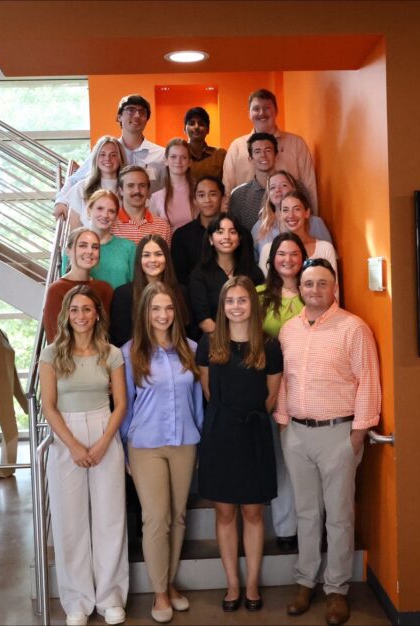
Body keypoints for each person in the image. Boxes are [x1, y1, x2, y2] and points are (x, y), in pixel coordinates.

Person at [275, 258, 382, 626]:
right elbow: (284, 382)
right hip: (298, 433)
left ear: (333, 288)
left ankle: (336, 589)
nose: (315, 290)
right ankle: (306, 580)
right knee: (306, 512)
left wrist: (357, 435)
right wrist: (284, 424)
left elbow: (368, 381)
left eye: (323, 283)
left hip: (339, 432)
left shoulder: (353, 328)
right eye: (308, 284)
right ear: (299, 288)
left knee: (338, 516)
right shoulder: (288, 330)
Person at [39, 285, 128, 626]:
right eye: (74, 310)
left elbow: (120, 403)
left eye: (87, 310)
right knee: (70, 522)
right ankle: (77, 600)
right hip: (67, 434)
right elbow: (48, 406)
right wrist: (74, 446)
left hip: (104, 428)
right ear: (66, 315)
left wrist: (105, 440)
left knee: (109, 519)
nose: (81, 316)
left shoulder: (111, 353)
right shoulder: (51, 355)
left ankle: (111, 598)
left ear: (96, 314)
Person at [197, 276, 282, 613]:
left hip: (254, 432)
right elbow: (207, 390)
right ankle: (232, 584)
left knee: (253, 511)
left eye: (242, 300)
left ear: (252, 304)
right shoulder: (208, 343)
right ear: (223, 306)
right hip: (219, 432)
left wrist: (247, 415)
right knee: (225, 512)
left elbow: (272, 397)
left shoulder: (270, 345)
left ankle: (252, 585)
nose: (236, 306)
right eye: (230, 301)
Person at [121, 281, 204, 624]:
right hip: (146, 445)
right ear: (145, 313)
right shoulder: (129, 353)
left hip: (185, 441)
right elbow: (124, 405)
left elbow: (198, 400)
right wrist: (126, 450)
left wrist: (198, 439)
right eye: (155, 308)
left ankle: (169, 584)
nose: (163, 314)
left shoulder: (191, 349)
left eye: (168, 308)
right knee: (156, 518)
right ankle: (158, 593)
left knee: (178, 515)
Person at [256, 232, 309, 549]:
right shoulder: (259, 295)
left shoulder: (314, 291)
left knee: (306, 461)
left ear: (303, 258)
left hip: (311, 387)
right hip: (274, 387)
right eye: (281, 254)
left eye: (294, 254)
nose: (287, 260)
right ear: (271, 260)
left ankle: (311, 526)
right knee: (282, 462)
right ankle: (286, 527)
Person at [56, 94, 165, 222]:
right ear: (119, 117)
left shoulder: (161, 155)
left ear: (147, 119)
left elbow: (168, 190)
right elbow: (75, 179)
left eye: (142, 112)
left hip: (147, 222)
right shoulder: (106, 151)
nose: (136, 116)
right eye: (130, 110)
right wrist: (61, 201)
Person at [222, 89, 319, 213]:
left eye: (267, 108)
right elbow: (227, 190)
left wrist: (312, 220)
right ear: (249, 113)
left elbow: (309, 187)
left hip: (291, 220)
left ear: (276, 111)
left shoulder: (296, 144)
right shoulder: (237, 147)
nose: (261, 113)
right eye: (256, 109)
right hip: (247, 222)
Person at [188, 212, 264, 335]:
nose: (226, 237)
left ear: (239, 239)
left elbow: (261, 311)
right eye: (220, 232)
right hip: (215, 342)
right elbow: (204, 321)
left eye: (232, 232)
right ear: (211, 239)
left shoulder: (253, 272)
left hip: (251, 338)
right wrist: (230, 341)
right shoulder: (199, 275)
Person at [110, 234, 190, 347]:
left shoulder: (181, 292)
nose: (153, 260)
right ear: (139, 260)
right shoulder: (123, 294)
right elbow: (119, 339)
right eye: (146, 255)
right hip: (136, 357)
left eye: (158, 254)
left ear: (167, 258)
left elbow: (188, 332)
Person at [43, 227, 114, 343]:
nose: (90, 251)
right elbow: (54, 338)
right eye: (83, 245)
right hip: (65, 358)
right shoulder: (57, 289)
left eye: (95, 247)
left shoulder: (105, 289)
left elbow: (108, 334)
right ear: (69, 251)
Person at [251, 170, 333, 257]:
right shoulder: (259, 227)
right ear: (268, 195)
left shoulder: (315, 223)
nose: (277, 190)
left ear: (294, 190)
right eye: (272, 187)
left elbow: (328, 255)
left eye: (284, 185)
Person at [259, 191, 338, 282]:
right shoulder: (268, 250)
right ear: (280, 215)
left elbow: (333, 292)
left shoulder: (325, 248)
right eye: (285, 210)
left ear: (307, 213)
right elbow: (265, 291)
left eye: (297, 209)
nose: (291, 215)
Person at [55, 135, 126, 230]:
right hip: (90, 243)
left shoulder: (128, 189)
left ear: (120, 159)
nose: (107, 159)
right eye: (102, 154)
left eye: (113, 155)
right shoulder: (81, 188)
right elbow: (74, 231)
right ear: (95, 158)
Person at [171, 176, 224, 286]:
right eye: (201, 195)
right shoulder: (181, 236)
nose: (207, 200)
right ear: (194, 200)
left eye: (213, 194)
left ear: (222, 197)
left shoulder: (237, 232)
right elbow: (180, 280)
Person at [86, 189, 136, 290]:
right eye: (100, 208)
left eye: (111, 211)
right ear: (89, 211)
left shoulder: (129, 248)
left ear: (116, 217)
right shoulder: (74, 247)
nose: (105, 215)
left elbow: (134, 288)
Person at [111, 165, 172, 247]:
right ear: (121, 190)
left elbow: (166, 259)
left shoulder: (163, 227)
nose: (137, 191)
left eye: (142, 185)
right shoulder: (110, 224)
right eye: (130, 186)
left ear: (148, 189)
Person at [227, 132, 277, 232]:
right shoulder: (238, 195)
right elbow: (234, 232)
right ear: (250, 159)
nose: (263, 155)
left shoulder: (294, 188)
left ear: (276, 156)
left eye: (268, 150)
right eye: (257, 151)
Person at [149, 139, 195, 232]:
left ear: (190, 162)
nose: (178, 161)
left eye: (184, 157)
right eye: (173, 156)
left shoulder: (199, 193)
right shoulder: (156, 198)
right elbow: (153, 234)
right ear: (166, 161)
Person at [183, 106, 226, 182]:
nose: (196, 127)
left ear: (208, 129)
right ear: (184, 129)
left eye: (201, 124)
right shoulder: (178, 156)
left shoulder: (220, 155)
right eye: (191, 123)